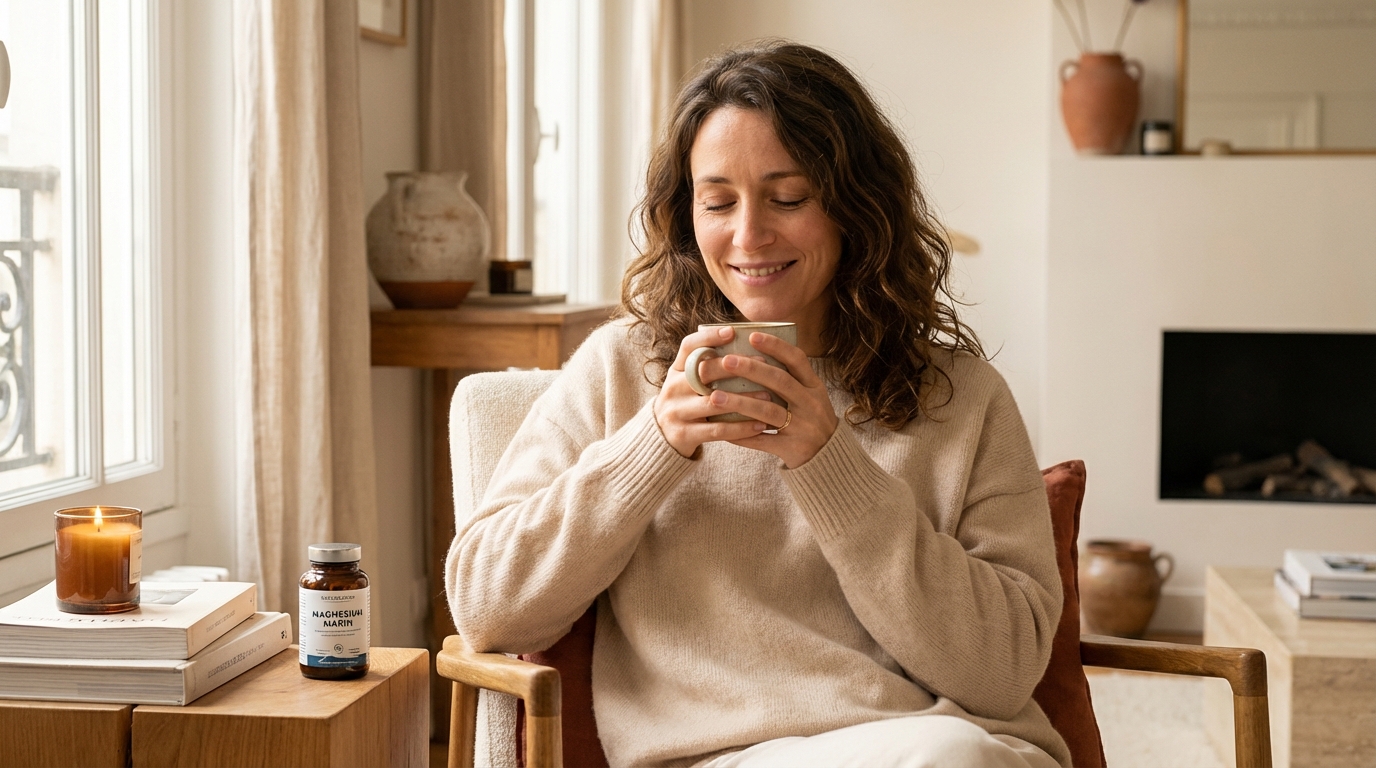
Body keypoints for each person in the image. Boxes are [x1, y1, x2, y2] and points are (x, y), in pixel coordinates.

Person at [447, 40, 1070, 768]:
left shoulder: (961, 396)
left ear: (854, 206)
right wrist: (651, 447)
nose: (748, 236)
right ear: (687, 215)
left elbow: (1006, 670)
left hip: (942, 747)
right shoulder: (624, 370)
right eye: (718, 202)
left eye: (787, 198)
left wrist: (830, 465)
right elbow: (487, 607)